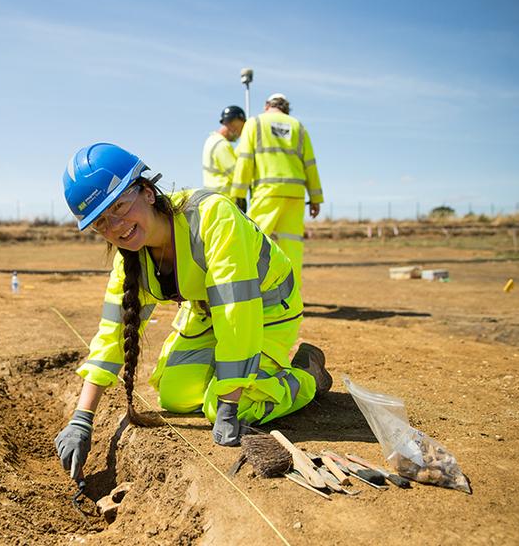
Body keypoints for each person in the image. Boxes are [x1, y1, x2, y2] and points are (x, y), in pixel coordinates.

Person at [54, 143, 331, 479]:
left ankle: (305, 378)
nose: (116, 227)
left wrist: (229, 405)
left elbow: (237, 312)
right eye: (101, 223)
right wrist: (82, 419)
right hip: (208, 313)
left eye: (120, 207)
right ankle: (242, 378)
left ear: (146, 192)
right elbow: (112, 334)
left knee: (221, 406)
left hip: (266, 310)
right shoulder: (130, 258)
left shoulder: (213, 217)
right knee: (175, 394)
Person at [231, 93, 324, 282]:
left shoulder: (255, 123)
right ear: (286, 108)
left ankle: (250, 288)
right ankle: (292, 296)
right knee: (292, 246)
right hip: (295, 194)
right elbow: (310, 165)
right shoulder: (298, 127)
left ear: (267, 106)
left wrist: (238, 194)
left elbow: (245, 160)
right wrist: (315, 199)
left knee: (253, 241)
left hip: (267, 192)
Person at [202, 105, 247, 211]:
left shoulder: (211, 140)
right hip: (226, 202)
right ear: (234, 124)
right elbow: (236, 175)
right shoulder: (222, 145)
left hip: (215, 200)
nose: (239, 134)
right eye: (241, 128)